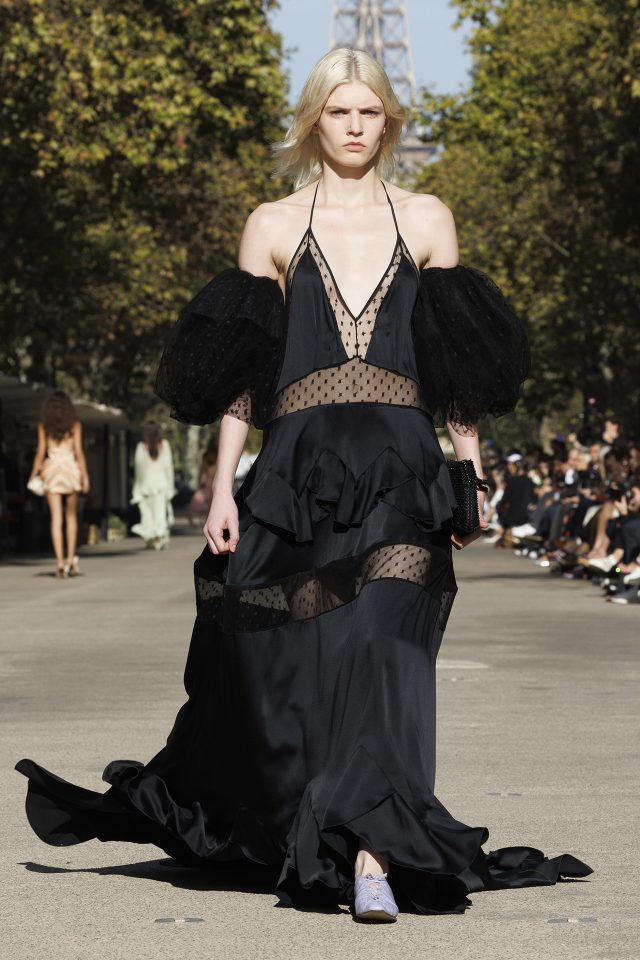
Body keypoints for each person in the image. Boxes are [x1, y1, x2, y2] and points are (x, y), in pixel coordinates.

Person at [16, 49, 591, 921]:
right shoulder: (273, 224)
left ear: (388, 120)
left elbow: (452, 370)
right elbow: (243, 375)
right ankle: (319, 826)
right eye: (338, 111)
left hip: (403, 470)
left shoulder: (428, 218)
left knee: (388, 648)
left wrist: (470, 472)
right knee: (295, 659)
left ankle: (372, 853)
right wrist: (221, 487)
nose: (354, 126)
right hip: (299, 472)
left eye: (369, 111)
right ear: (313, 120)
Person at [27, 390, 90, 578]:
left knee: (56, 518)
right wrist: (85, 476)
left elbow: (40, 453)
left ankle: (59, 562)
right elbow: (79, 452)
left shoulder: (44, 426)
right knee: (71, 516)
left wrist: (33, 476)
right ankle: (71, 560)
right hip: (70, 469)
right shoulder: (75, 425)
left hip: (52, 470)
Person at [130, 421, 176, 550]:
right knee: (155, 517)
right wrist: (170, 488)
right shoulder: (160, 445)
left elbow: (139, 471)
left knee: (151, 517)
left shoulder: (145, 446)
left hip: (150, 487)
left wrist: (136, 490)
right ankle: (156, 540)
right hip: (157, 487)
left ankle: (156, 541)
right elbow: (168, 468)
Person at [186, 435, 218, 526]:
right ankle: (208, 524)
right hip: (210, 486)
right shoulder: (207, 456)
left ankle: (209, 524)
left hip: (213, 486)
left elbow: (200, 473)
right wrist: (198, 486)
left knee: (212, 507)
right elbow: (200, 473)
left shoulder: (219, 455)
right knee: (208, 507)